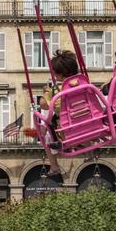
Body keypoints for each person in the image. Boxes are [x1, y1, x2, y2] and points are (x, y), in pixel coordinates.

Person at [38, 49, 80, 177]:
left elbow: (43, 105)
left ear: (60, 74)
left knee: (44, 133)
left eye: (55, 73)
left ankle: (54, 166)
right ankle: (88, 146)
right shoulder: (83, 84)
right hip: (85, 124)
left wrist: (46, 92)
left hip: (67, 129)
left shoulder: (56, 91)